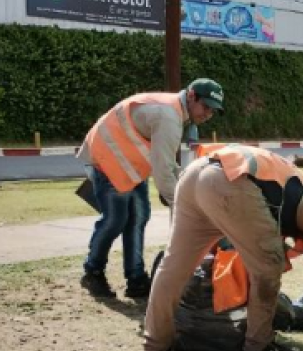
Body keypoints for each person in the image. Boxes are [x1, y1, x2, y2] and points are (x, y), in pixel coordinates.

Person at [143, 144, 303, 351]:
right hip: (229, 180)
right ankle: (259, 347)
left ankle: (155, 349)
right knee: (269, 266)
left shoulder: (290, 195)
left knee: (173, 268)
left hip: (195, 174)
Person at [77, 78, 224, 298]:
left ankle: (136, 280)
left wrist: (186, 186)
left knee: (138, 218)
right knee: (115, 220)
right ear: (192, 96)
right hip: (106, 160)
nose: (208, 114)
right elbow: (163, 172)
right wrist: (183, 205)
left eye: (213, 111)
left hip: (131, 167)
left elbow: (167, 164)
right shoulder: (169, 117)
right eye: (206, 107)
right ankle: (92, 272)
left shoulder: (175, 112)